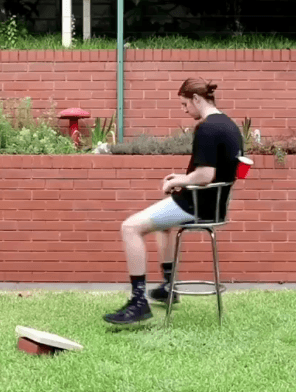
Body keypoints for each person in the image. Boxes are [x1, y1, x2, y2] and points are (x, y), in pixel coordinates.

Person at [103, 77, 244, 325]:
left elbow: (205, 175)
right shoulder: (230, 125)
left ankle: (138, 302)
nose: (184, 110)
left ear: (196, 99)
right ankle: (169, 286)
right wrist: (182, 179)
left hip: (195, 205)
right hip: (214, 205)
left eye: (184, 104)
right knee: (163, 226)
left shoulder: (207, 128)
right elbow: (226, 172)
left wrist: (180, 181)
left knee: (130, 227)